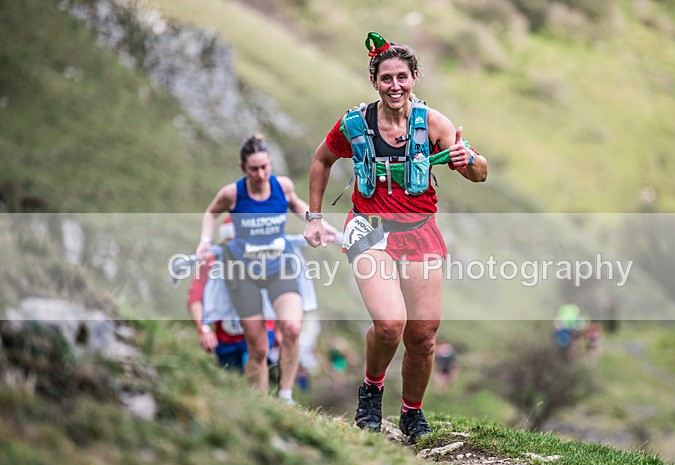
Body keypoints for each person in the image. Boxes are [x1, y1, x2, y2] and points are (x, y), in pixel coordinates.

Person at [303, 32, 488, 442]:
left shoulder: (432, 124)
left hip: (420, 232)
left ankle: (412, 414)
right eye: (386, 78)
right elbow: (321, 159)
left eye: (402, 77)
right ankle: (371, 390)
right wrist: (314, 218)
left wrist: (468, 159)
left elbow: (480, 172)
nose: (395, 85)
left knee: (422, 336)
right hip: (370, 230)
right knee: (390, 323)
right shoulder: (354, 125)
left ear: (414, 77)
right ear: (375, 82)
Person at [196, 134, 338, 404]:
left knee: (293, 329)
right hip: (244, 274)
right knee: (259, 348)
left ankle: (285, 395)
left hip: (279, 267)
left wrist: (318, 222)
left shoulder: (281, 186)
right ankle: (259, 403)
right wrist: (205, 241)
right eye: (254, 169)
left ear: (270, 165)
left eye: (265, 167)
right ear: (243, 168)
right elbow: (210, 213)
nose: (261, 174)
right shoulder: (232, 194)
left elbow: (296, 204)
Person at [187, 215, 276, 374]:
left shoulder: (262, 258)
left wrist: (282, 329)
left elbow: (279, 295)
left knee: (253, 365)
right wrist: (204, 329)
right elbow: (195, 298)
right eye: (231, 242)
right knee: (234, 381)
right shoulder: (211, 262)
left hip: (261, 330)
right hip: (226, 339)